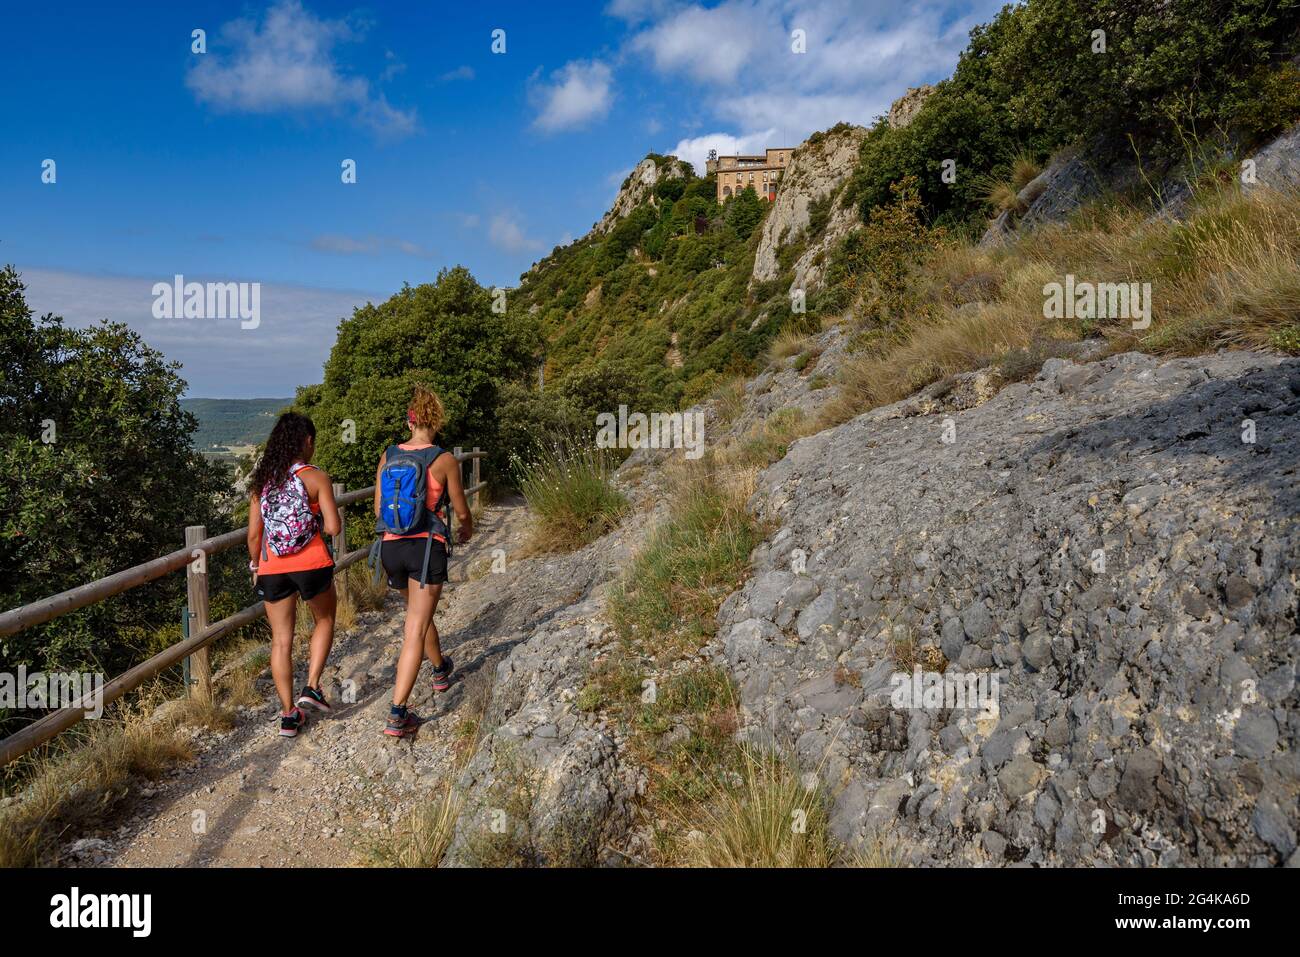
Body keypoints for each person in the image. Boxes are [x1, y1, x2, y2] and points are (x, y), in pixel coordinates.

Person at [374, 385, 472, 738]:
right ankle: (398, 714)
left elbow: (377, 509)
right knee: (415, 627)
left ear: (409, 420)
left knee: (418, 613)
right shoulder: (443, 460)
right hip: (425, 547)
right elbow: (461, 509)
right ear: (437, 421)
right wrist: (466, 529)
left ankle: (440, 669)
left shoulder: (388, 455)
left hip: (391, 549)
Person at [246, 412, 341, 738]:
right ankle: (312, 686)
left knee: (281, 640)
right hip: (311, 562)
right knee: (325, 620)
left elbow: (254, 537)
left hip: (272, 567)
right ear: (308, 442)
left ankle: (288, 715)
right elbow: (333, 526)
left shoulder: (263, 481)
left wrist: (256, 566)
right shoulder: (315, 477)